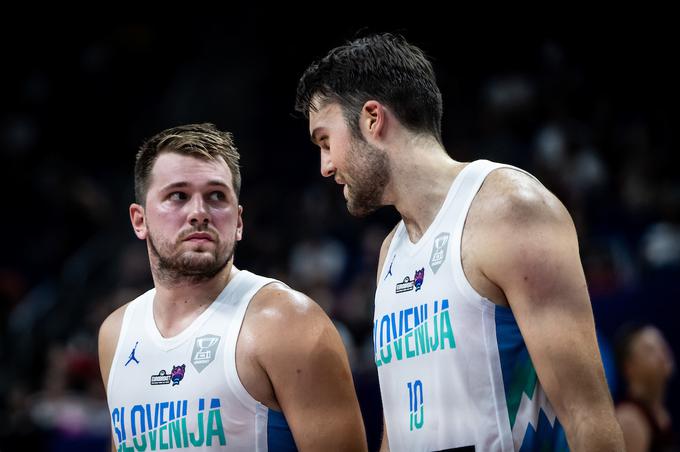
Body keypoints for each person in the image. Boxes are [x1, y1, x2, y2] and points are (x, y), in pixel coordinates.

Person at [295, 33, 624, 451]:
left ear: (372, 119)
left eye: (326, 141)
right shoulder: (389, 254)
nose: (325, 166)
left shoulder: (510, 210)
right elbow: (397, 431)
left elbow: (588, 416)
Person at [98, 123, 367, 451]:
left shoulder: (287, 323)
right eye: (178, 196)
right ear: (139, 220)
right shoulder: (116, 334)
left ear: (238, 221)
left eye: (216, 196)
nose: (199, 213)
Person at [614, 323, 676, 451]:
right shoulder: (629, 420)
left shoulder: (661, 415)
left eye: (662, 346)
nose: (662, 355)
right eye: (650, 350)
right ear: (629, 367)